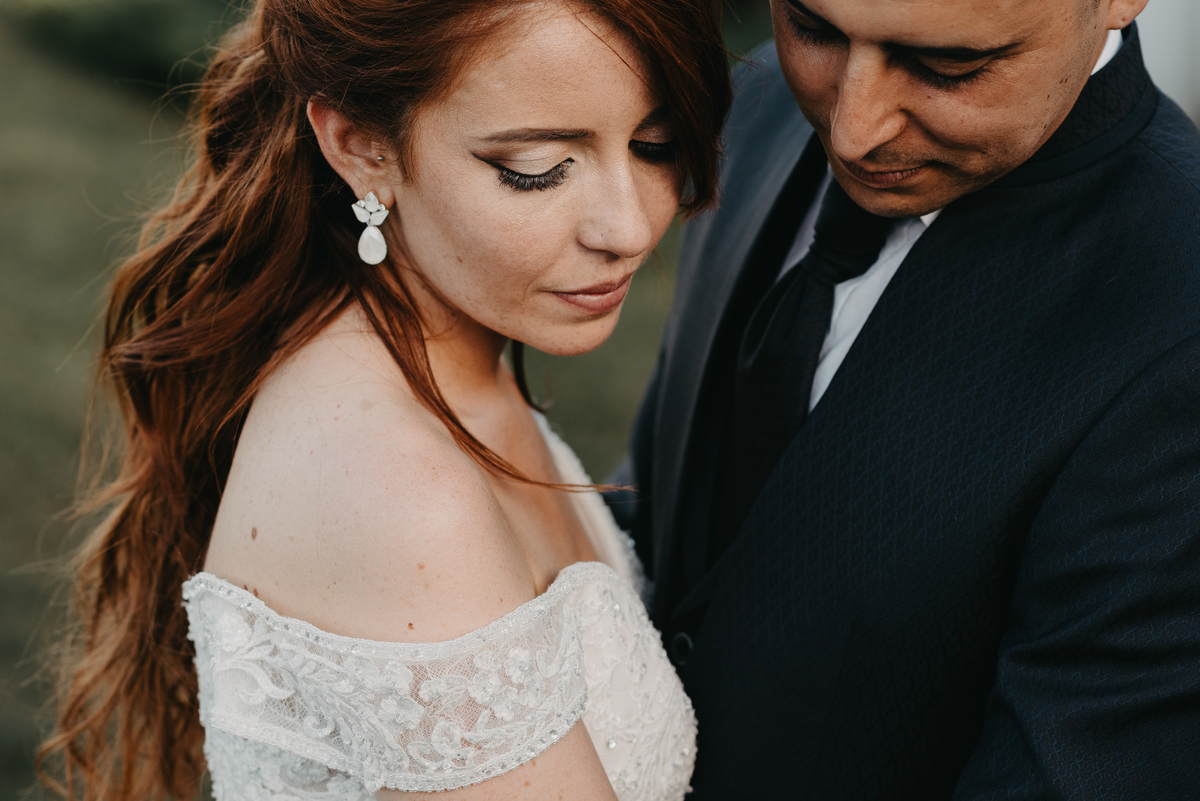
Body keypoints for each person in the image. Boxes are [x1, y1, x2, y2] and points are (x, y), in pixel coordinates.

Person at [37, 1, 730, 799]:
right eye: (538, 165)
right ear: (362, 147)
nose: (632, 225)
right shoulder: (401, 493)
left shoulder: (445, 360)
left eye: (656, 145)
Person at [614, 0, 1200, 796]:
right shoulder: (759, 109)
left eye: (948, 66)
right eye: (812, 30)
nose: (852, 129)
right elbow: (668, 517)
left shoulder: (1178, 328)